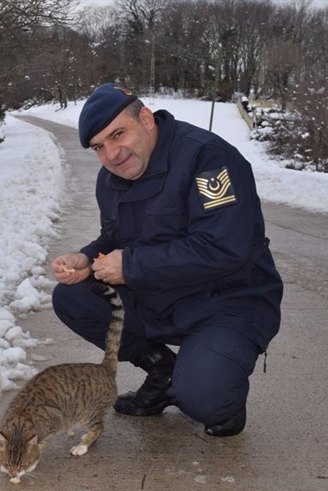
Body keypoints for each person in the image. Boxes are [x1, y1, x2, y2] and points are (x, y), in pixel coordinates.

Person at [50, 82, 283, 437]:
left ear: (145, 119)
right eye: (100, 146)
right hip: (160, 295)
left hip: (226, 300)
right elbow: (117, 238)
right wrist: (86, 258)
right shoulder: (111, 178)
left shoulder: (207, 158)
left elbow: (223, 247)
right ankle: (163, 371)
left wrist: (130, 266)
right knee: (73, 297)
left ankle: (218, 390)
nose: (112, 154)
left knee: (204, 399)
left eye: (118, 135)